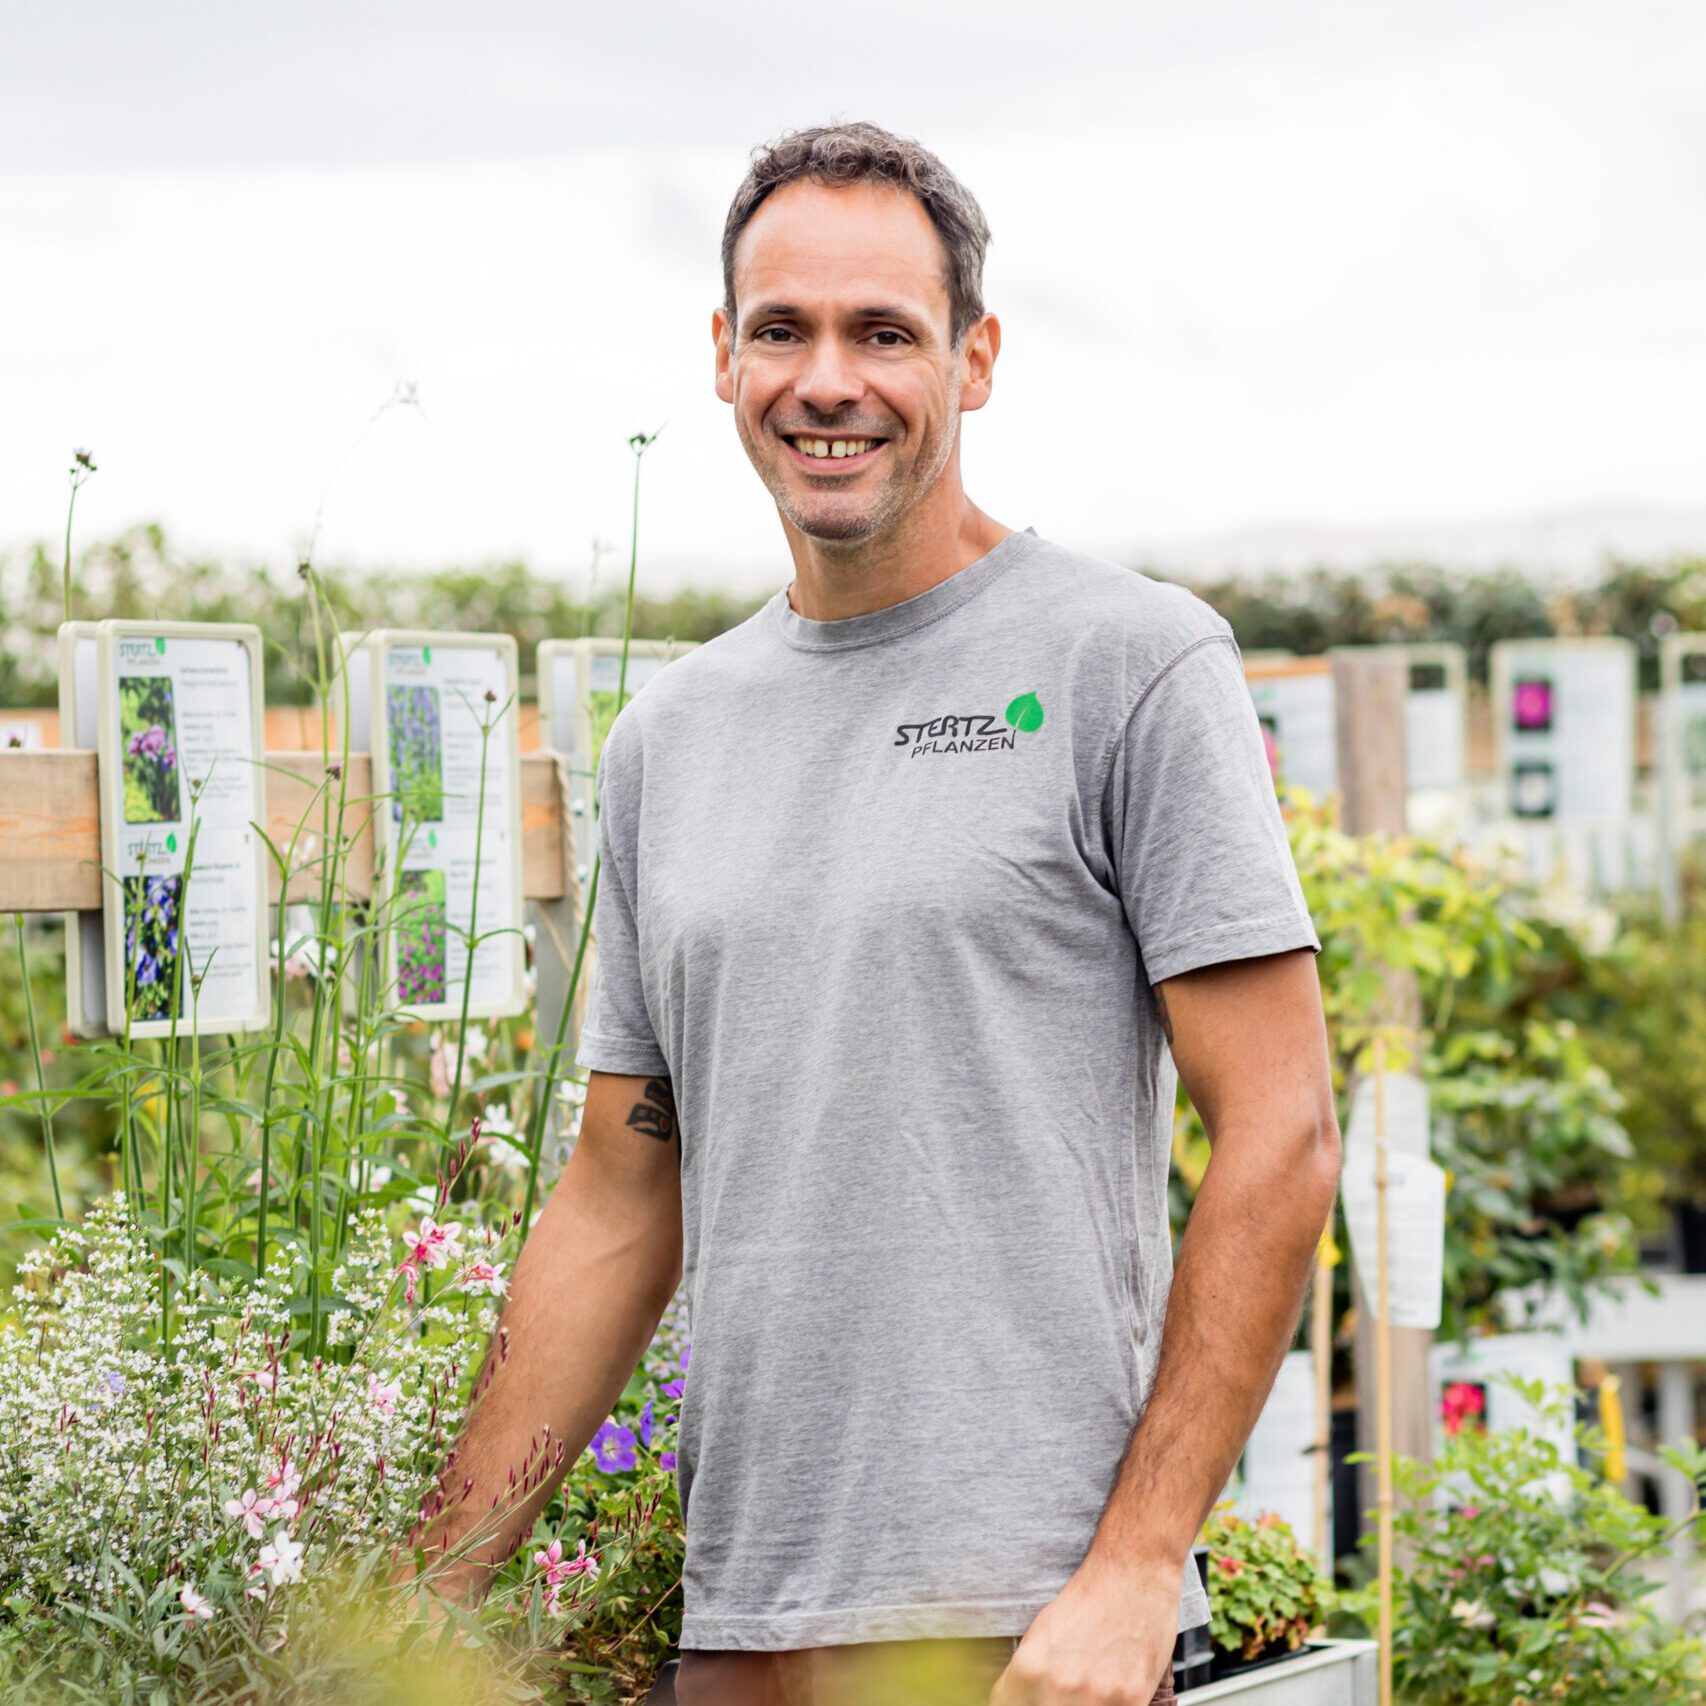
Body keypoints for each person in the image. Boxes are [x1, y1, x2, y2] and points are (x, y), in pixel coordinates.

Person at [406, 121, 1341, 1706]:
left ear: (972, 361)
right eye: (783, 329)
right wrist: (420, 1593)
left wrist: (1130, 1569)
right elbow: (620, 1201)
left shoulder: (1128, 664)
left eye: (882, 332)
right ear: (722, 358)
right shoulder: (671, 740)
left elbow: (1281, 1128)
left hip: (1032, 1647)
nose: (825, 379)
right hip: (744, 1636)